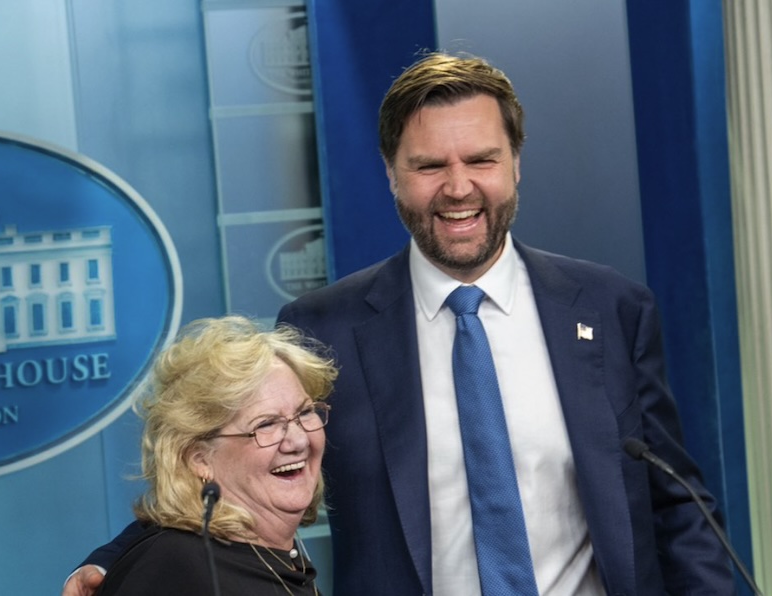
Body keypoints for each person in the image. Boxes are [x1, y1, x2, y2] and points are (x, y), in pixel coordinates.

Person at [65, 52, 736, 595]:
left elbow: (675, 502)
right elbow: (220, 468)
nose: (458, 187)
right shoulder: (323, 329)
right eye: (429, 165)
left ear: (515, 163)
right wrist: (114, 564)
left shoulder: (610, 308)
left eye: (481, 159)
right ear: (391, 173)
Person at [83, 315, 336, 595]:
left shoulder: (275, 553)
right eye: (266, 424)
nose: (299, 440)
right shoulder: (173, 570)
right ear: (200, 460)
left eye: (305, 412)